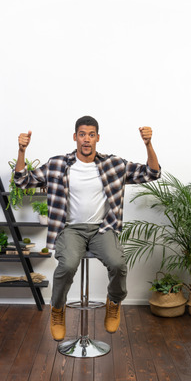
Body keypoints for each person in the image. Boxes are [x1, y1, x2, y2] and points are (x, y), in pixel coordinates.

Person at [14, 115, 161, 341]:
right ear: (75, 137)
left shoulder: (113, 164)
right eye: (82, 134)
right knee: (68, 264)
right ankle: (57, 310)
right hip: (71, 230)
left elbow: (152, 173)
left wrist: (148, 144)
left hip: (102, 228)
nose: (86, 139)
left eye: (91, 135)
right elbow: (23, 181)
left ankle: (113, 302)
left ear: (97, 138)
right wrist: (22, 151)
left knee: (118, 264)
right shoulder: (58, 164)